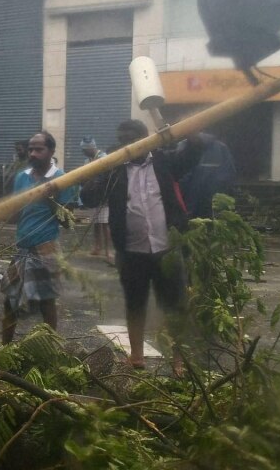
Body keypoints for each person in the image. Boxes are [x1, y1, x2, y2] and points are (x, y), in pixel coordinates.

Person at [82, 119, 205, 372]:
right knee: (135, 302)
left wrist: (183, 131)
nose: (126, 143)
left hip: (166, 249)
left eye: (131, 138)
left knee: (174, 304)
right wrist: (102, 168)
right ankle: (136, 357)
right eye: (122, 139)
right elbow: (88, 197)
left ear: (145, 138)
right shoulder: (115, 170)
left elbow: (194, 151)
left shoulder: (164, 161)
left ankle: (178, 359)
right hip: (131, 251)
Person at [0, 131, 75, 344]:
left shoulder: (62, 179)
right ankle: (4, 351)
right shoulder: (21, 177)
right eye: (31, 149)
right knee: (10, 301)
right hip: (22, 248)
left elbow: (68, 222)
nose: (33, 153)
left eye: (39, 149)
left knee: (47, 302)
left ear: (51, 151)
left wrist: (51, 199)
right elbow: (15, 215)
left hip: (46, 247)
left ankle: (51, 348)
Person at [178, 135, 237, 220]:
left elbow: (180, 180)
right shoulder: (221, 148)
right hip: (208, 208)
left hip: (194, 208)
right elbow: (229, 177)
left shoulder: (181, 147)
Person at [79, 137, 111, 260]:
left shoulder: (103, 157)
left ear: (91, 148)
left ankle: (108, 250)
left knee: (104, 223)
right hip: (92, 196)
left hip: (103, 194)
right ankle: (97, 247)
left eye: (84, 150)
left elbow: (106, 176)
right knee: (96, 223)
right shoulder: (87, 161)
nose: (83, 152)